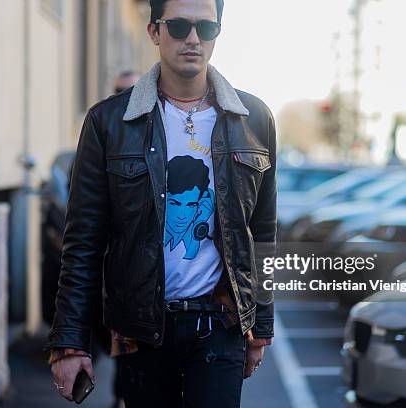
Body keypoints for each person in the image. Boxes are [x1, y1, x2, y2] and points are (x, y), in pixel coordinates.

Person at [46, 0, 277, 406]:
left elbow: (261, 233)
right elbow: (83, 240)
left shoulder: (254, 118)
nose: (192, 39)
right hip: (141, 331)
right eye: (179, 26)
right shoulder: (109, 122)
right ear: (154, 31)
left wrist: (260, 325)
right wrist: (70, 342)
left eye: (205, 29)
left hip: (220, 326)